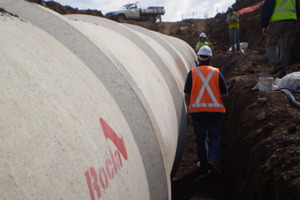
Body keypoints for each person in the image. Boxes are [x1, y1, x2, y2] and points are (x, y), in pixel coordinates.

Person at [184, 46, 228, 176]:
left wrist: (189, 108)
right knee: (215, 137)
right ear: (210, 58)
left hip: (197, 113)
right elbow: (225, 94)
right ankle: (213, 160)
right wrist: (218, 102)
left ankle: (203, 164)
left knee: (201, 139)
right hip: (214, 113)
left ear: (198, 58)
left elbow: (187, 94)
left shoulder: (192, 73)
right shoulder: (216, 72)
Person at [261, 0, 300, 78]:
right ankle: (283, 71)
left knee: (271, 43)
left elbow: (268, 7)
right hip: (291, 20)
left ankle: (276, 63)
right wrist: (295, 19)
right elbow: (298, 8)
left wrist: (264, 24)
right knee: (285, 47)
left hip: (277, 20)